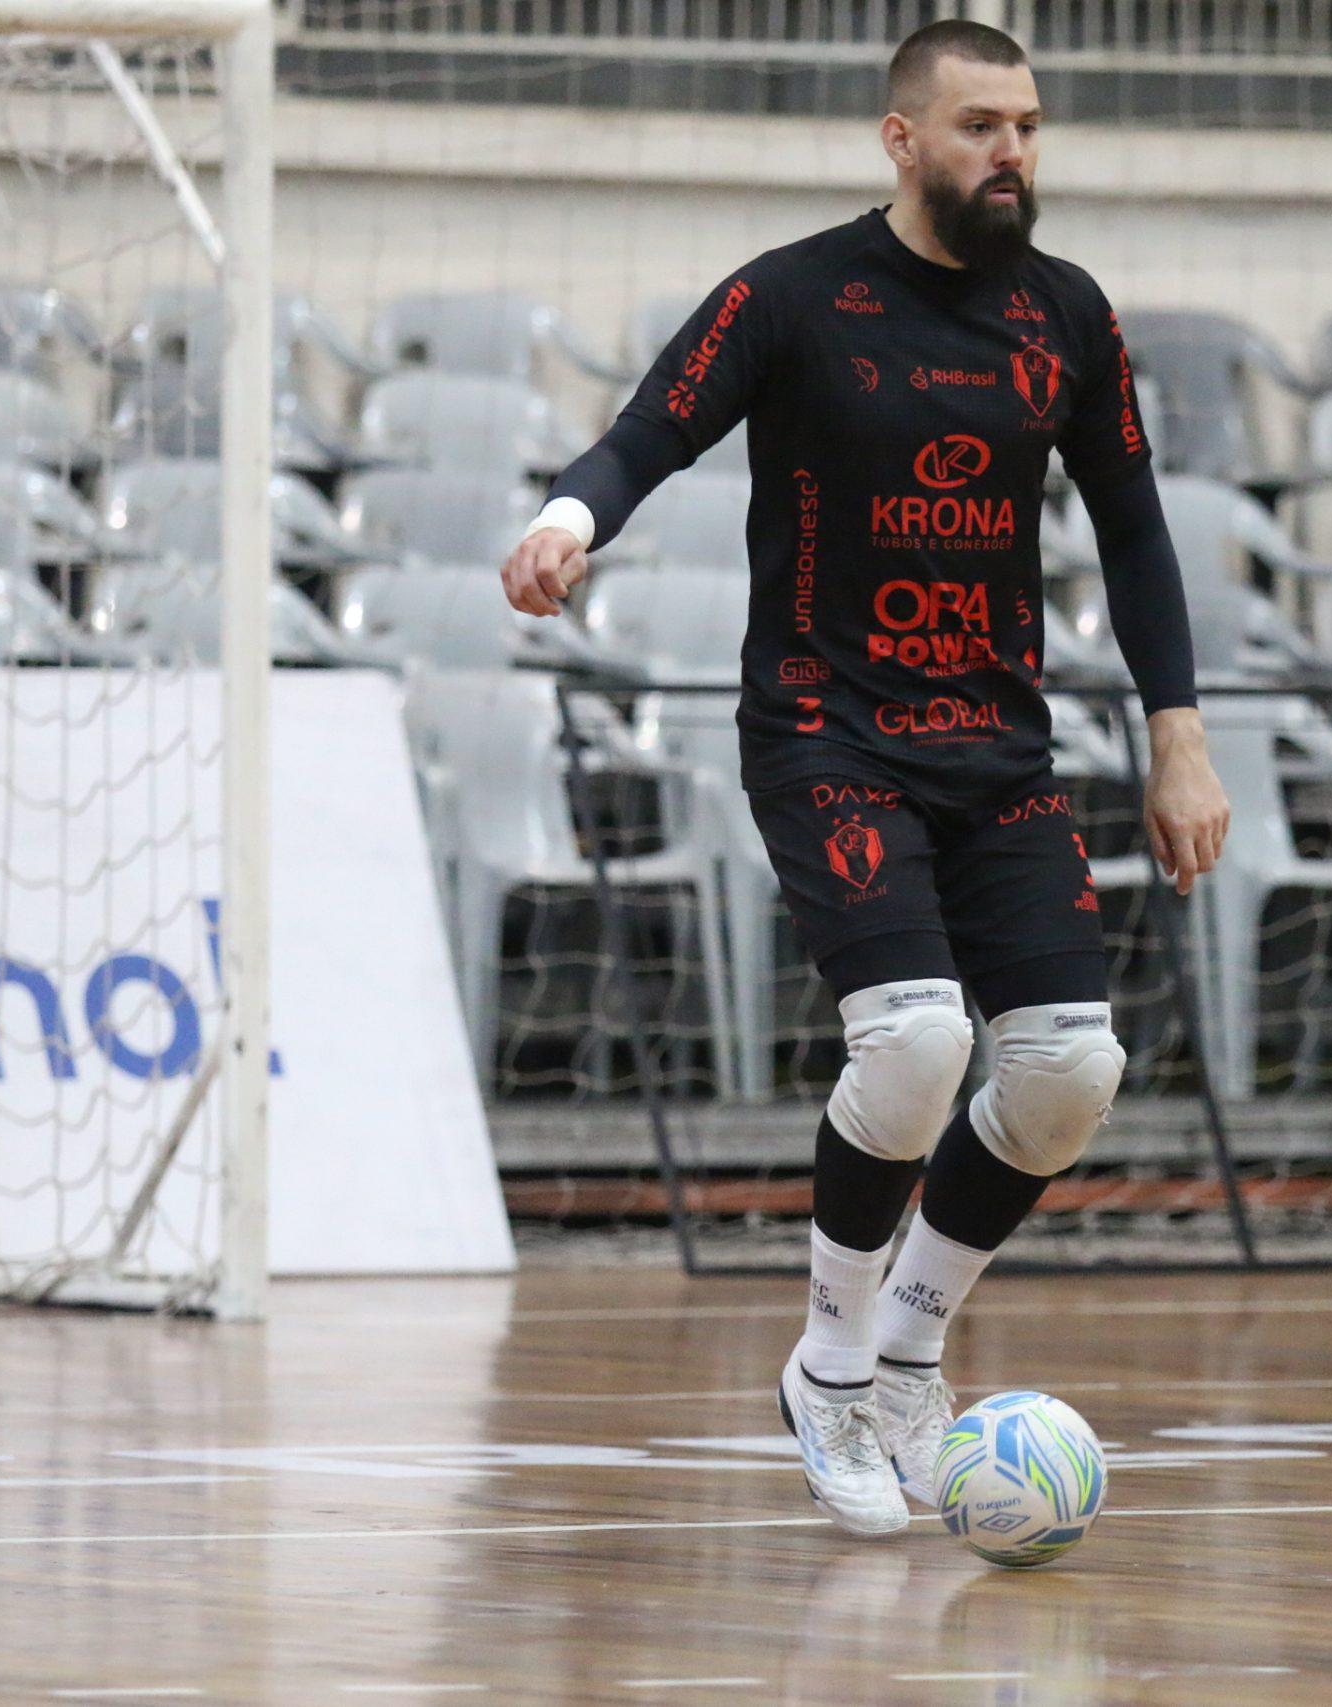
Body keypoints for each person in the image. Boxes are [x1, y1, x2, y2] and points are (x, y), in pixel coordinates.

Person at [500, 18, 1229, 1538]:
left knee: (1071, 1071)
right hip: (828, 733)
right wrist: (571, 522)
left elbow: (1138, 531)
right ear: (902, 140)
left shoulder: (1068, 317)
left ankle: (909, 1346)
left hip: (998, 747)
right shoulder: (792, 295)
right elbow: (650, 430)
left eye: (1027, 125)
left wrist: (1179, 735)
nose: (1011, 153)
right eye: (978, 127)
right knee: (912, 1047)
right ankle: (828, 1367)